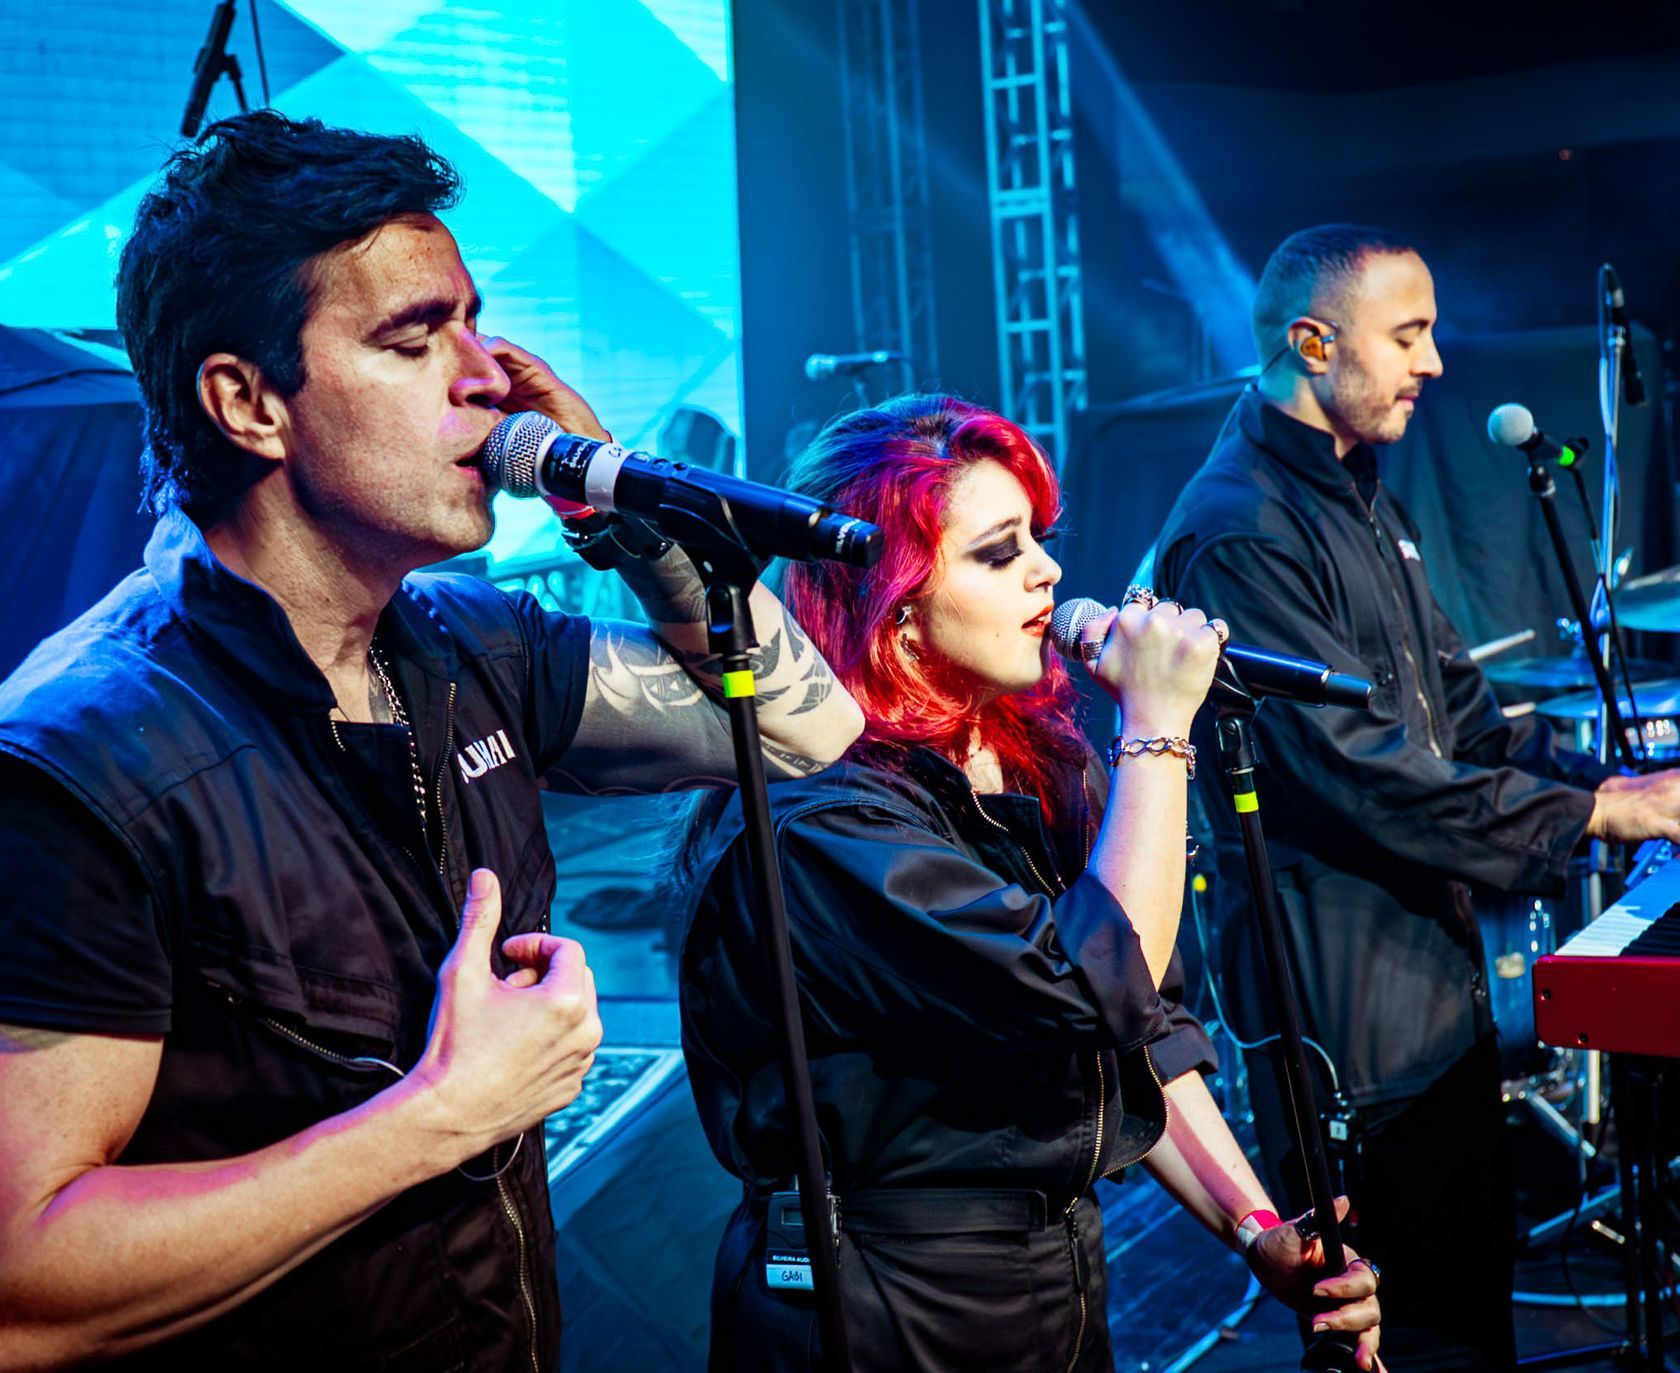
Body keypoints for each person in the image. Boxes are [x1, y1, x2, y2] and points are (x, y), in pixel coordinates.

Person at [0, 111, 863, 1371]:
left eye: (472, 319)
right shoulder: (73, 768)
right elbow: (1, 1293)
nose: (490, 376)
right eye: (417, 338)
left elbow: (806, 727)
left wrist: (622, 512)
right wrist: (443, 1115)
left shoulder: (472, 652)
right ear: (247, 402)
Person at [678, 394, 1384, 1373]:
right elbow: (1084, 982)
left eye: (1039, 539)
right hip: (885, 1296)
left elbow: (1137, 1028)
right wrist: (1158, 729)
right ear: (893, 602)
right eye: (999, 550)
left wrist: (1256, 1224)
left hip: (1052, 1270)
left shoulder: (1049, 766)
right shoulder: (822, 818)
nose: (1049, 569)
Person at [1152, 224, 1680, 1369]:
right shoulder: (1239, 528)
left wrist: (1630, 781)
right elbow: (1365, 772)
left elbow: (1468, 721)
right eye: (1409, 334)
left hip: (1426, 1004)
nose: (1433, 363)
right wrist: (1601, 818)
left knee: (1465, 1314)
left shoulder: (1360, 500)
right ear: (1311, 340)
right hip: (1347, 1026)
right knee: (1407, 1339)